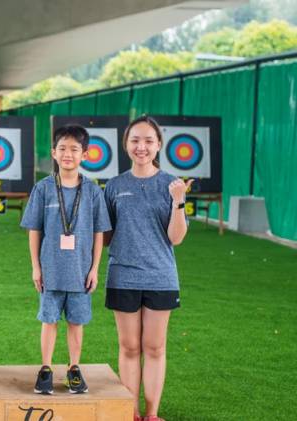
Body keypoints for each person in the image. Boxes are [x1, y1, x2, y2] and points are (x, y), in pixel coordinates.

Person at [104, 115, 192, 421]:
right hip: (122, 276)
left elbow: (176, 238)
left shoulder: (172, 185)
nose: (141, 147)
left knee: (154, 348)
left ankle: (152, 414)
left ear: (158, 146)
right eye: (135, 140)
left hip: (160, 277)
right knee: (129, 347)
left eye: (148, 141)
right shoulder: (114, 186)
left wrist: (179, 201)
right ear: (126, 144)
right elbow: (105, 236)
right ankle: (131, 412)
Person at [22, 125, 112, 395]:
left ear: (85, 154)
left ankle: (74, 368)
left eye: (74, 149)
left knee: (76, 322)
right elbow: (34, 230)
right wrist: (36, 267)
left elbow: (99, 233)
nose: (68, 154)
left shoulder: (94, 191)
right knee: (48, 320)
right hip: (50, 271)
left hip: (81, 272)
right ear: (53, 152)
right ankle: (46, 369)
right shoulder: (43, 188)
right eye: (62, 148)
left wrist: (95, 269)